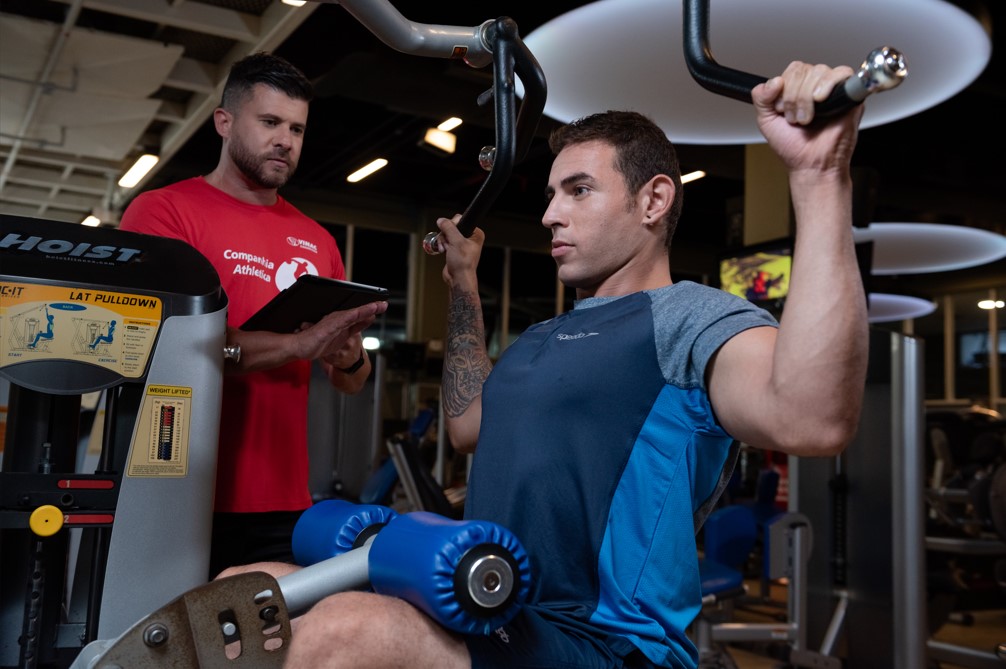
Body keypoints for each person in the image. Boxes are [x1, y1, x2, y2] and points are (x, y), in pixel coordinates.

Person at [223, 60, 868, 669]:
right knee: (247, 592)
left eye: (578, 190)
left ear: (653, 201)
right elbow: (466, 427)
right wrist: (464, 288)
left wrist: (818, 180)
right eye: (552, 192)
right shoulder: (540, 337)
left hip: (606, 639)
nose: (549, 213)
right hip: (490, 601)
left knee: (346, 632)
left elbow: (812, 418)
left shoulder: (690, 320)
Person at [119, 52, 387, 578]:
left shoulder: (318, 241)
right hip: (177, 488)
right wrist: (294, 346)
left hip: (282, 499)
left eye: (296, 128)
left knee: (265, 653)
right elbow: (165, 346)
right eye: (269, 123)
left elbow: (350, 382)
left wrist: (348, 354)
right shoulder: (163, 212)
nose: (285, 140)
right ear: (224, 122)